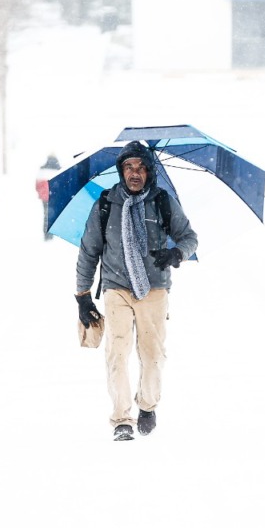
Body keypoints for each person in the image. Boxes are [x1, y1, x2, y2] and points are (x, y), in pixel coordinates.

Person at [74, 141, 198, 441]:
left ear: (149, 171)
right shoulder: (105, 204)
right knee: (117, 352)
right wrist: (82, 296)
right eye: (129, 167)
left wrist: (176, 254)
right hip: (116, 288)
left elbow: (189, 237)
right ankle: (121, 420)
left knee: (153, 356)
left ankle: (147, 404)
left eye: (140, 167)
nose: (134, 173)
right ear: (121, 171)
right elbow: (89, 251)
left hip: (154, 290)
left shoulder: (162, 202)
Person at [36, 154, 61, 240]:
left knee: (46, 215)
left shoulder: (42, 169)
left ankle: (46, 233)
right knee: (53, 215)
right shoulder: (59, 169)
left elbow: (37, 184)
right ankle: (51, 232)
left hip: (45, 197)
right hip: (55, 196)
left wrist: (40, 193)